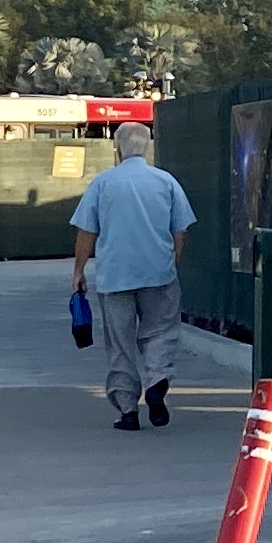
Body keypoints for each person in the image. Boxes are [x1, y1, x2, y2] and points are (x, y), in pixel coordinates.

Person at [68, 121, 195, 430]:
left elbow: (87, 231)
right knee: (161, 332)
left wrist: (78, 270)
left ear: (117, 149)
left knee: (120, 343)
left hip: (115, 277)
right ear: (147, 146)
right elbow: (181, 229)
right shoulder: (166, 182)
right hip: (159, 274)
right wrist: (172, 261)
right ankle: (156, 381)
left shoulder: (102, 183)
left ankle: (127, 410)